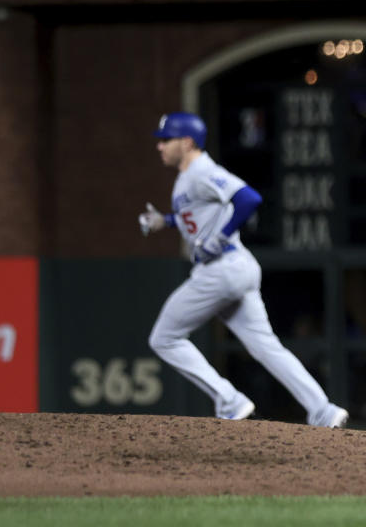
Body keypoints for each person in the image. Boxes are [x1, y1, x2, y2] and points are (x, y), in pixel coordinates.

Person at [139, 111, 349, 428]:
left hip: (220, 269)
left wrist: (220, 236)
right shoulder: (187, 178)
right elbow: (198, 216)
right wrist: (165, 221)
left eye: (166, 140)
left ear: (186, 141)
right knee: (266, 346)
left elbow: (248, 198)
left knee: (164, 338)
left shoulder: (201, 170)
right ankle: (323, 410)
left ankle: (230, 400)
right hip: (236, 269)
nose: (160, 147)